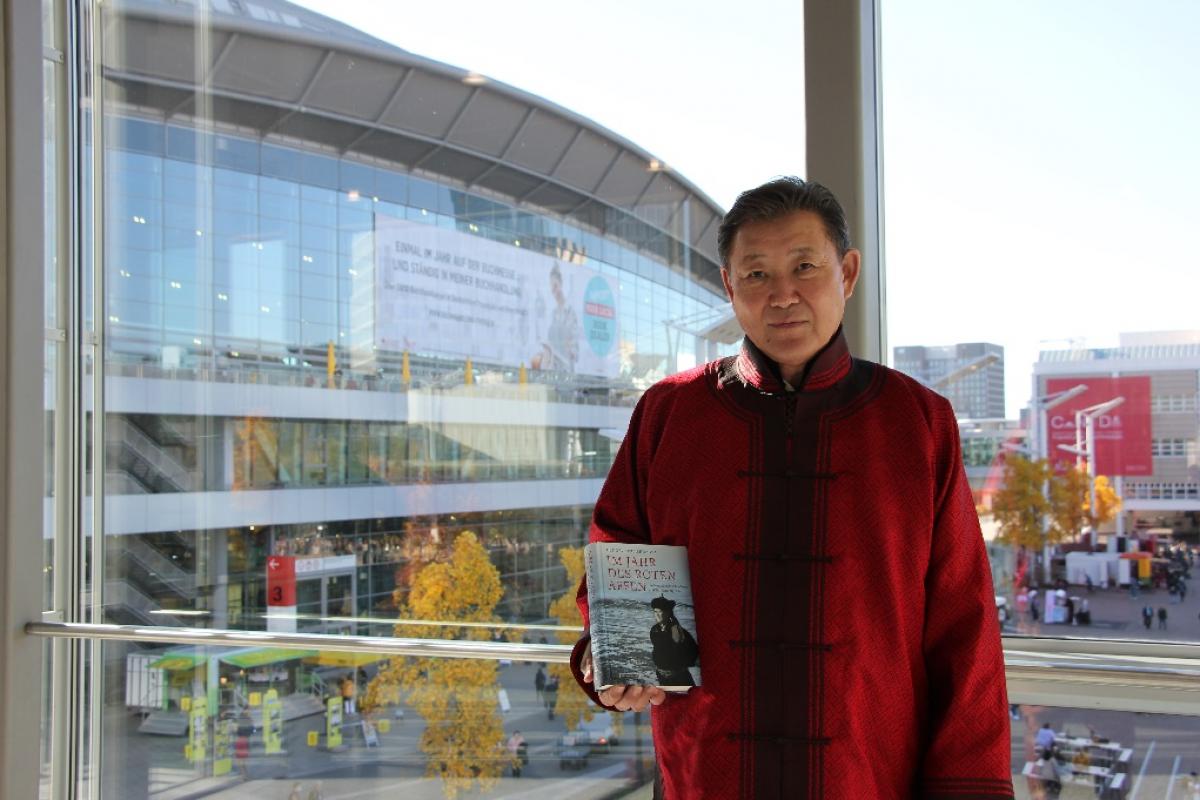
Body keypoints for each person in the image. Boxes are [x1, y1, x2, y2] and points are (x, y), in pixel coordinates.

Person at [568, 178, 1013, 798]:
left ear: (847, 273)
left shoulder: (917, 421)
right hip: (706, 775)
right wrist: (608, 652)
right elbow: (617, 546)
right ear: (730, 286)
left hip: (867, 777)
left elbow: (964, 625)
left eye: (805, 267)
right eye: (756, 274)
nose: (782, 295)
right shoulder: (670, 413)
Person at [531, 264, 579, 372]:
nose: (554, 292)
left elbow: (575, 352)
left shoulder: (570, 312)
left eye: (555, 286)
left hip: (566, 371)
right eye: (552, 289)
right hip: (554, 369)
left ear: (561, 284)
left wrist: (569, 348)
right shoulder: (553, 314)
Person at [647, 596, 699, 687]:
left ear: (668, 613)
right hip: (662, 676)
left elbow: (693, 651)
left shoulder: (678, 631)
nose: (657, 615)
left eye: (660, 612)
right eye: (655, 611)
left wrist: (678, 666)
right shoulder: (654, 630)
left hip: (679, 677)